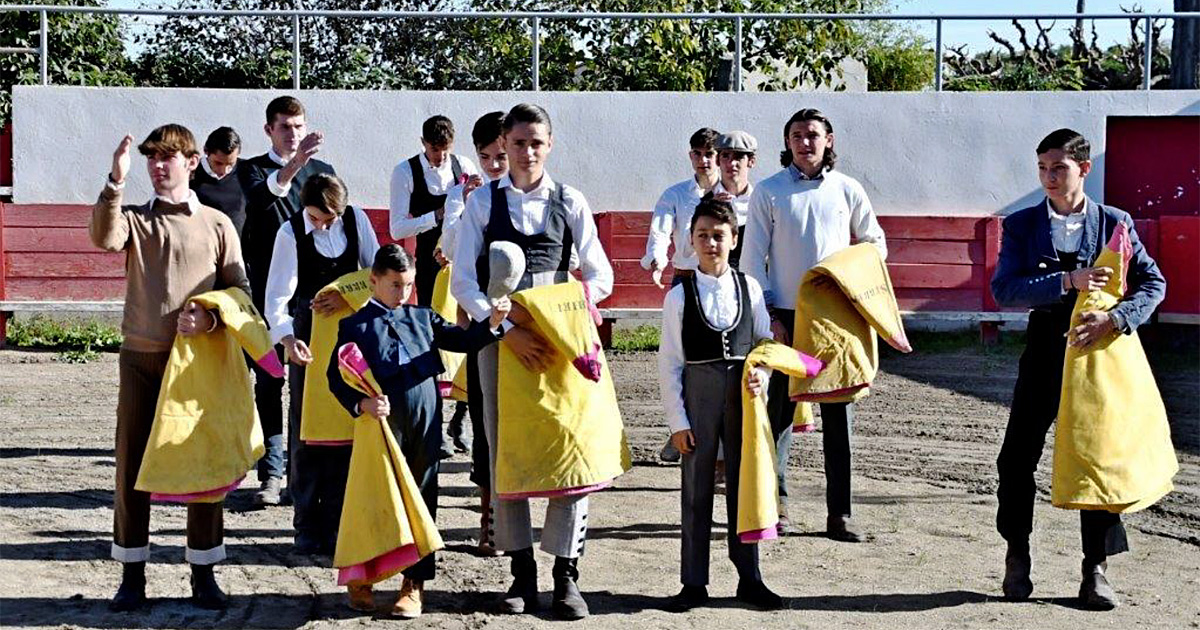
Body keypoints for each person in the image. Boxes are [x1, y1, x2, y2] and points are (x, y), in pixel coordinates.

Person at [990, 128, 1166, 610]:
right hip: (1046, 347)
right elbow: (1004, 290)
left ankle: (1096, 568)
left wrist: (1117, 318)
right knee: (1016, 457)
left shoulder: (1114, 221)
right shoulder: (1023, 225)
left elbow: (1153, 283)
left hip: (1096, 350)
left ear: (1084, 169)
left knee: (1097, 457)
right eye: (1043, 168)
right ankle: (1017, 554)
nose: (1049, 177)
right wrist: (1068, 279)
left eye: (1059, 168)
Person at [451, 103, 614, 620]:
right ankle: (521, 573)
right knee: (506, 454)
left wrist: (571, 307)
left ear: (550, 145)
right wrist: (503, 329)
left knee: (568, 451)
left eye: (536, 143)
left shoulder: (570, 200)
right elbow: (463, 282)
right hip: (501, 347)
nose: (526, 152)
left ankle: (566, 575)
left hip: (559, 343)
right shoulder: (482, 203)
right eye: (518, 143)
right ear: (505, 142)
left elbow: (601, 275)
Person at [91, 124, 250, 611]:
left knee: (201, 465)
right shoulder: (136, 219)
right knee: (132, 466)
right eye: (152, 158)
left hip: (197, 365)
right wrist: (114, 182)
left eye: (169, 157)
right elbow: (103, 237)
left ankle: (203, 573)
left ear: (192, 162)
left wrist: (209, 316)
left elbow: (240, 290)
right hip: (140, 357)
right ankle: (132, 574)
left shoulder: (218, 223)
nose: (159, 166)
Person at [327, 244, 509, 618]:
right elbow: (336, 378)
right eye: (394, 285)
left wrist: (492, 323)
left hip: (425, 418)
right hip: (380, 423)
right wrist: (360, 404)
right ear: (374, 281)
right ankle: (363, 575)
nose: (403, 292)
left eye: (408, 285)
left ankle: (415, 583)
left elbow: (462, 341)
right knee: (376, 495)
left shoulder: (423, 317)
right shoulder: (354, 325)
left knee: (423, 494)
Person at [742, 108, 886, 540]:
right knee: (778, 416)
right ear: (786, 142)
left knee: (838, 417)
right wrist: (768, 315)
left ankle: (840, 514)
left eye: (813, 135)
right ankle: (776, 506)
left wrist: (853, 286)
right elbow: (752, 259)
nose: (805, 143)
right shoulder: (768, 191)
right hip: (784, 314)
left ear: (829, 139)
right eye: (797, 135)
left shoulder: (847, 189)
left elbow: (875, 243)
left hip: (834, 316)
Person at [657, 196, 782, 612]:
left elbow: (764, 344)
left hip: (743, 398)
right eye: (702, 236)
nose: (711, 243)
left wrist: (760, 376)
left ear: (734, 239)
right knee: (696, 487)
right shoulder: (679, 296)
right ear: (691, 241)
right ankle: (693, 582)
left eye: (719, 235)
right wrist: (677, 420)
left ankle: (750, 577)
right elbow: (670, 363)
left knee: (745, 486)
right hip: (699, 393)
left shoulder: (749, 287)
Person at [263, 173, 379, 554]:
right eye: (316, 217)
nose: (323, 225)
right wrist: (287, 339)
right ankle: (306, 523)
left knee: (351, 423)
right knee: (307, 431)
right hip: (309, 339)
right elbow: (277, 296)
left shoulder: (357, 221)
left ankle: (340, 518)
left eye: (330, 219)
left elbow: (379, 275)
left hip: (353, 339)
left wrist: (348, 294)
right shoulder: (289, 233)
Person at [239, 95, 335, 507]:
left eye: (298, 127)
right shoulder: (250, 170)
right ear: (268, 130)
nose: (292, 134)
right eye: (284, 127)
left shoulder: (324, 172)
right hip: (267, 289)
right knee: (270, 379)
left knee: (312, 380)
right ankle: (272, 472)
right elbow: (263, 203)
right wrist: (295, 165)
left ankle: (303, 471)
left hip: (313, 293)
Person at [439, 111, 509, 555]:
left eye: (500, 155)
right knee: (485, 425)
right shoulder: (469, 195)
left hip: (528, 324)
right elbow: (450, 253)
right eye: (486, 157)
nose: (493, 165)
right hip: (486, 324)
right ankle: (490, 518)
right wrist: (459, 205)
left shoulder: (545, 196)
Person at [642, 127, 720, 464]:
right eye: (698, 154)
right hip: (686, 280)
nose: (704, 160)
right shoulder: (675, 194)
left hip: (721, 282)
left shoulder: (734, 193)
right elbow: (660, 229)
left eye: (710, 154)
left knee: (720, 360)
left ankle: (709, 436)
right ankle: (680, 428)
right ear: (690, 156)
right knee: (682, 359)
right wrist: (656, 257)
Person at [389, 114, 479, 306]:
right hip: (429, 264)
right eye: (434, 149)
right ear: (423, 142)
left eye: (446, 150)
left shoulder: (464, 165)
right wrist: (438, 215)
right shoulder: (404, 172)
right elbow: (397, 229)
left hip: (464, 261)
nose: (440, 157)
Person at [711, 130, 758, 269]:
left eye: (738, 157)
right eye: (725, 156)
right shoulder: (702, 200)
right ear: (718, 161)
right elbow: (687, 250)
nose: (731, 163)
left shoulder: (762, 200)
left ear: (751, 161)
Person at [190, 126, 246, 237]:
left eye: (230, 164)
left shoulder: (247, 171)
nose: (223, 171)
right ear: (206, 150)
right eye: (218, 163)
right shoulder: (188, 176)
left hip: (239, 250)